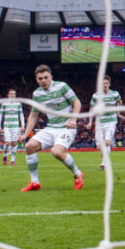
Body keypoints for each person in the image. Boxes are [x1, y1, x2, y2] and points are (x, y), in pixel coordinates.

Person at [18, 64, 84, 192]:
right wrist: (25, 135)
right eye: (40, 78)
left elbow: (77, 102)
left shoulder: (62, 86)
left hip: (66, 127)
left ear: (51, 76)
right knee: (29, 147)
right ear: (36, 79)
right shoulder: (37, 94)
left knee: (57, 152)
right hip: (51, 128)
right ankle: (35, 182)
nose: (43, 80)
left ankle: (77, 174)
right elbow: (33, 116)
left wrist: (73, 120)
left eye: (45, 77)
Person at [86, 75, 123, 170]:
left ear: (109, 84)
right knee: (99, 147)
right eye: (103, 83)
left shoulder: (115, 94)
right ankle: (104, 159)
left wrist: (118, 113)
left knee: (107, 142)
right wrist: (90, 122)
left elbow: (120, 102)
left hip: (111, 122)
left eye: (106, 83)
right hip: (99, 123)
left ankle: (104, 164)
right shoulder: (96, 96)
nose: (105, 85)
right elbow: (91, 109)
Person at [0, 89, 25, 166]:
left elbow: (21, 115)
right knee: (8, 142)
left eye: (14, 94)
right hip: (7, 127)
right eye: (11, 94)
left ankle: (12, 160)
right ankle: (5, 156)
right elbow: (0, 115)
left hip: (16, 126)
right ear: (8, 95)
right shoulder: (4, 104)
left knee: (14, 143)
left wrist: (23, 125)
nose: (13, 95)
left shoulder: (18, 104)